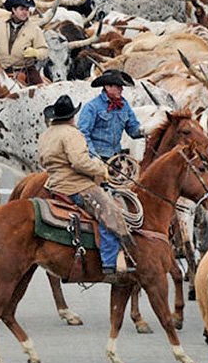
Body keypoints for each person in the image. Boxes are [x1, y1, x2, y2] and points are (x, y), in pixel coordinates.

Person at [38, 94, 137, 277]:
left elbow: (42, 161)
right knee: (110, 213)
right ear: (72, 116)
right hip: (76, 186)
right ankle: (110, 262)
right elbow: (79, 163)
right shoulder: (72, 134)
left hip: (54, 184)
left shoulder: (46, 135)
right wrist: (101, 169)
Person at [77, 70, 141, 161]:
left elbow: (133, 129)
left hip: (116, 157)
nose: (121, 89)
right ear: (107, 87)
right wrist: (93, 156)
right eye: (118, 86)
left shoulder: (124, 105)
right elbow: (83, 134)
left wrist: (145, 130)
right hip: (98, 156)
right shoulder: (92, 107)